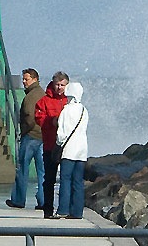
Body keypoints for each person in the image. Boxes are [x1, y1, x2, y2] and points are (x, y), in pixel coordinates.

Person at [7, 68, 43, 208]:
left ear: (34, 79)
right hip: (42, 137)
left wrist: (24, 131)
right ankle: (43, 200)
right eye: (23, 79)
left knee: (22, 168)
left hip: (30, 136)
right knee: (42, 171)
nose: (23, 82)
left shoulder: (30, 97)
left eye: (26, 79)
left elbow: (29, 115)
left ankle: (18, 199)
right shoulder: (42, 93)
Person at [35, 71, 69, 217]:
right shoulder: (44, 101)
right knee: (49, 179)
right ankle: (48, 210)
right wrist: (52, 121)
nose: (59, 88)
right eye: (57, 85)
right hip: (50, 145)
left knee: (66, 178)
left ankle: (64, 209)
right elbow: (39, 119)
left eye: (62, 85)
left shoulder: (70, 100)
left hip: (67, 147)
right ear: (52, 84)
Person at [53, 81, 88, 219]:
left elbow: (61, 133)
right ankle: (77, 212)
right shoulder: (84, 110)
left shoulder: (67, 110)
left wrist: (58, 145)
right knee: (78, 181)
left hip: (69, 150)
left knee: (65, 180)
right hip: (82, 150)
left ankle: (63, 210)